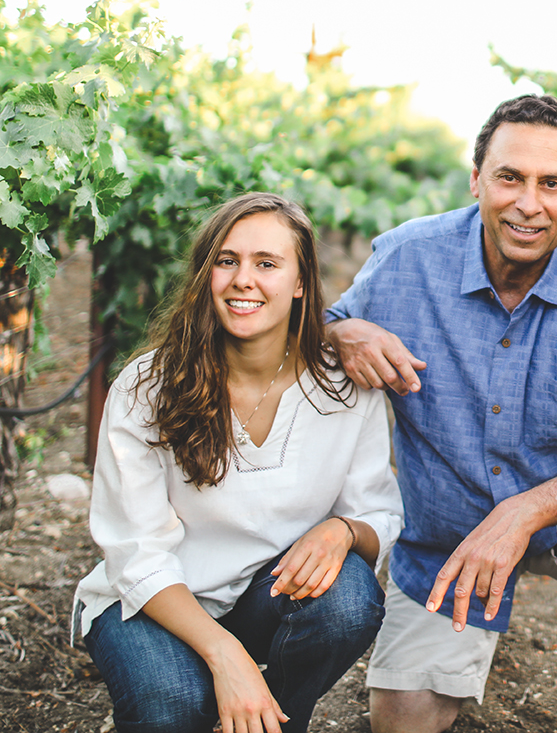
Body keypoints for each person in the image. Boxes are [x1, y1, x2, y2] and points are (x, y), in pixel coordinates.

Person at [325, 94, 557, 733]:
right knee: (399, 725)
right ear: (476, 179)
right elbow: (318, 327)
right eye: (509, 177)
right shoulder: (409, 258)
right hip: (446, 533)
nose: (528, 203)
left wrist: (523, 513)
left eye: (551, 183)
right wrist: (341, 333)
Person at [74, 192, 404, 733]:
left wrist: (344, 530)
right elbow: (135, 553)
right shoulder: (148, 385)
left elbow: (379, 512)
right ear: (207, 274)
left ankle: (276, 720)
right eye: (226, 261)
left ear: (300, 282)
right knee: (175, 709)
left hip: (264, 597)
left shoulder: (346, 388)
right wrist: (227, 657)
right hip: (154, 602)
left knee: (348, 599)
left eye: (267, 264)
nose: (242, 279)